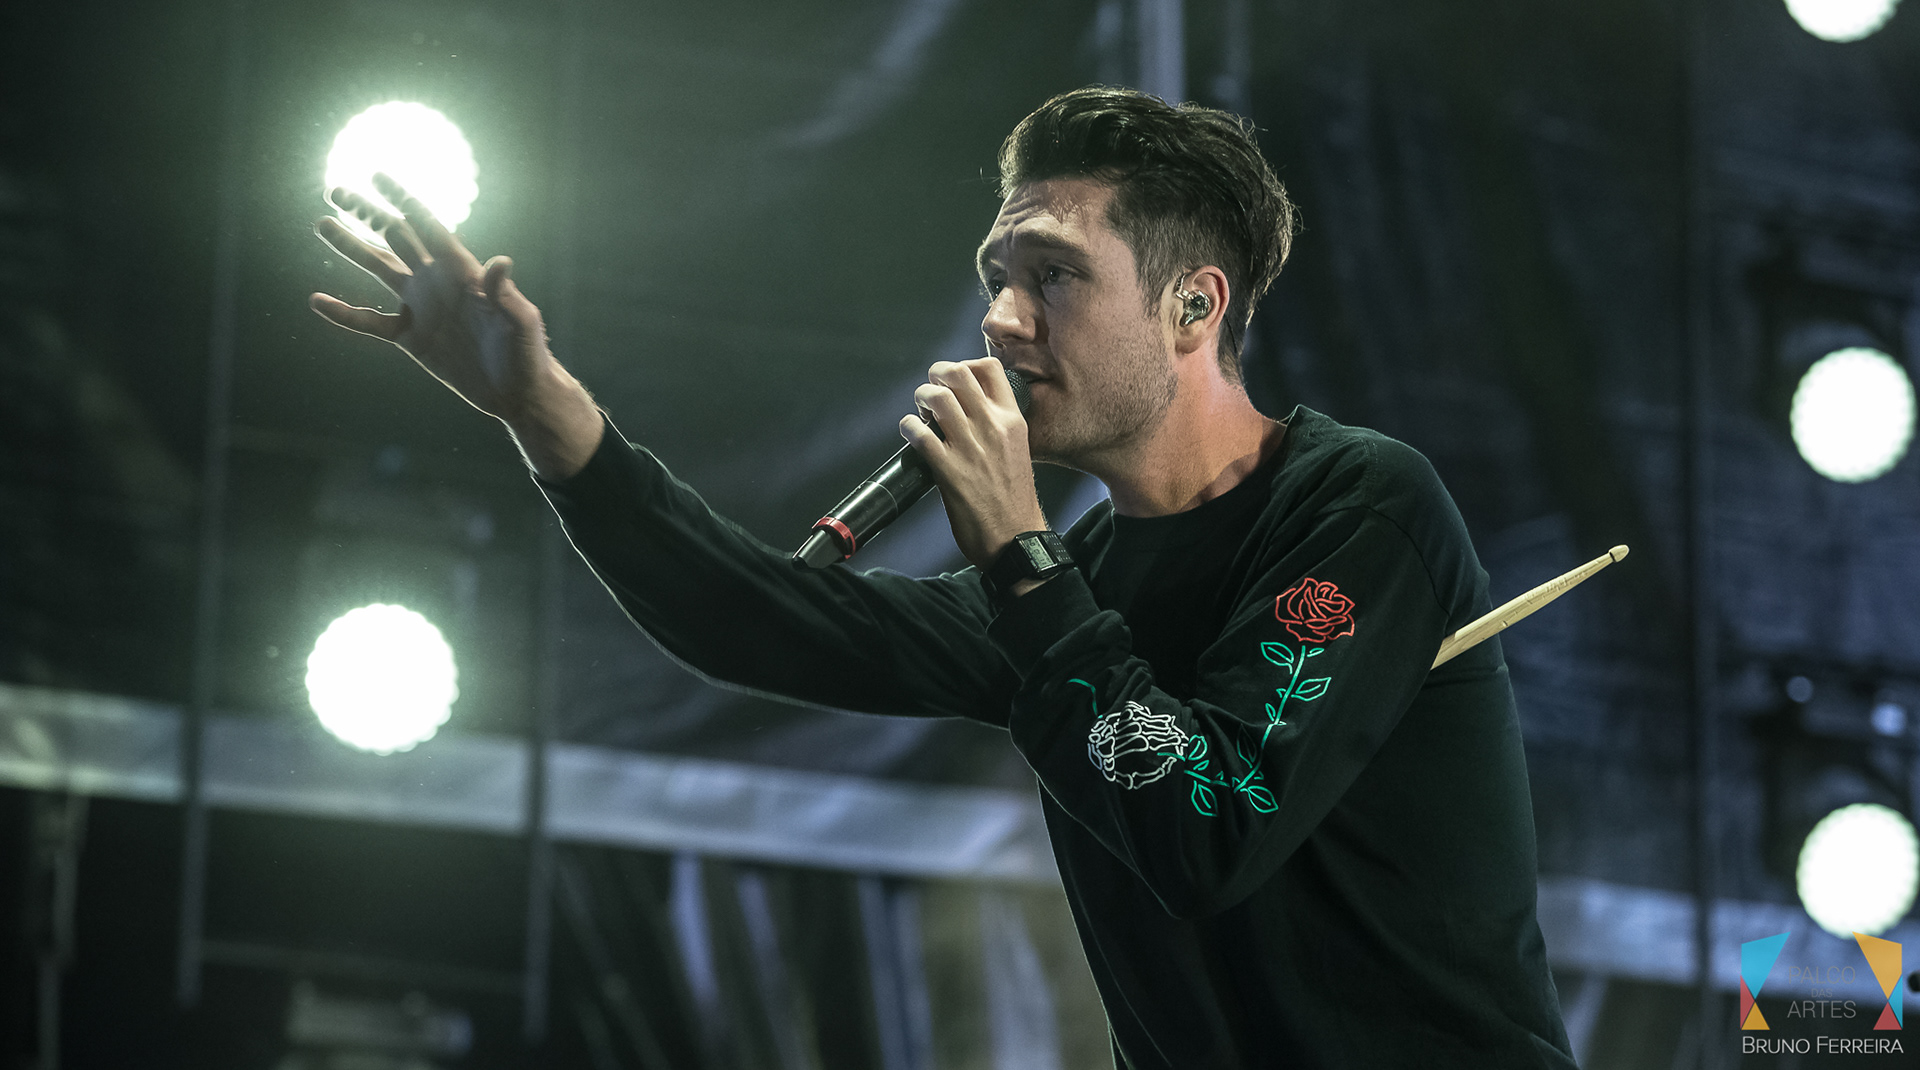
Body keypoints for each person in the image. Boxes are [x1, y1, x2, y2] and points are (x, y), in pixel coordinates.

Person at [310, 86, 1576, 1068]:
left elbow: (1206, 828)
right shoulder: (1066, 583)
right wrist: (544, 413)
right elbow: (750, 620)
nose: (1004, 319)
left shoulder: (1358, 504)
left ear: (1195, 307)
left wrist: (1022, 557)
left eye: (1054, 275)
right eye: (998, 280)